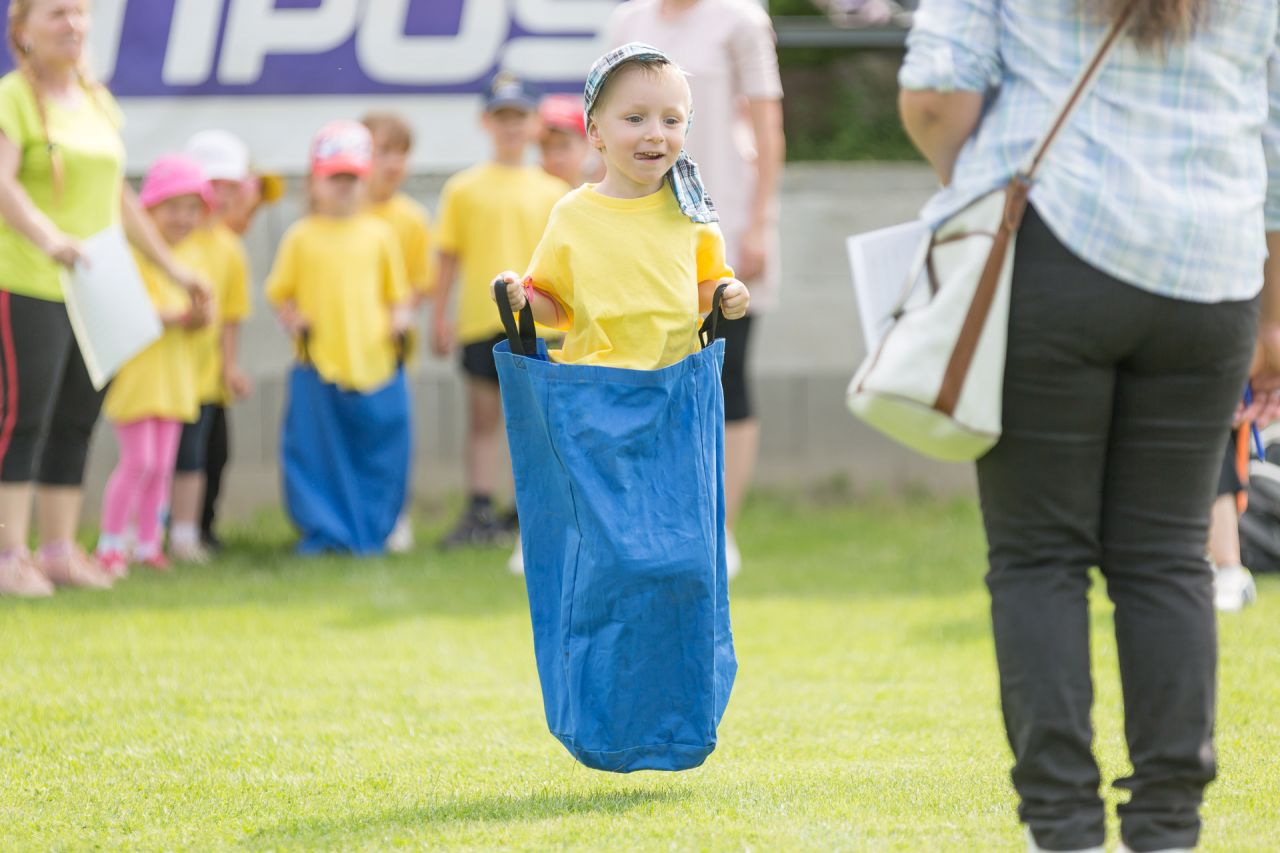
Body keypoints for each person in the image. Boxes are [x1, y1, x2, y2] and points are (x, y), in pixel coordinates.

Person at [897, 1, 1280, 850]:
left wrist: (976, 180)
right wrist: (1273, 317)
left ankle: (1063, 827)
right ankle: (1168, 825)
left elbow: (934, 95)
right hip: (1212, 271)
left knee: (1040, 557)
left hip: (1052, 247)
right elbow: (1276, 138)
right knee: (1169, 559)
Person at [0, 0, 208, 597]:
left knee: (77, 419)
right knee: (22, 419)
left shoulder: (96, 101)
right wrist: (49, 238)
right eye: (56, 13)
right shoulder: (13, 98)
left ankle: (58, 551)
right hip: (31, 280)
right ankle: (9, 553)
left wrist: (173, 269)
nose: (72, 24)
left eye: (79, 13)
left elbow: (118, 197)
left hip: (97, 285)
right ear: (24, 30)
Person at [607, 0, 785, 578]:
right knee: (641, 376)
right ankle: (649, 522)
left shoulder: (741, 20)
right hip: (640, 230)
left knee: (726, 377)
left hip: (723, 221)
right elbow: (604, 124)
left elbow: (768, 129)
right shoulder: (628, 22)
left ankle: (720, 529)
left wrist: (759, 223)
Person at [431, 72, 569, 549]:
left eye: (519, 117)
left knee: (538, 420)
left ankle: (530, 510)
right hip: (479, 319)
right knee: (484, 418)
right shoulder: (463, 188)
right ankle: (480, 509)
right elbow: (447, 257)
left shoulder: (553, 190)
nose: (511, 126)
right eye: (501, 117)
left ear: (534, 124)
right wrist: (439, 316)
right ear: (485, 123)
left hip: (538, 321)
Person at [266, 120, 413, 555]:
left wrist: (400, 321)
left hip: (375, 362)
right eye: (335, 178)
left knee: (379, 448)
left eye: (352, 178)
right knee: (317, 452)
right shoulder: (301, 237)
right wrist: (292, 319)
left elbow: (398, 295)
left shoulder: (379, 235)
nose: (344, 187)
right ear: (315, 182)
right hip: (320, 361)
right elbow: (280, 294)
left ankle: (374, 527)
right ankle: (327, 529)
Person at [94, 155, 211, 575]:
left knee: (161, 466)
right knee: (138, 462)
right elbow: (136, 312)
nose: (183, 218)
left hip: (175, 381)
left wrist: (199, 317)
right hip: (139, 379)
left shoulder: (192, 260)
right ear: (148, 210)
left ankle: (148, 543)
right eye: (172, 207)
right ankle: (111, 542)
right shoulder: (134, 258)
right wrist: (182, 315)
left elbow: (198, 318)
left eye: (192, 208)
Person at [169, 129, 255, 561]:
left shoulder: (231, 248)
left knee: (213, 456)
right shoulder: (171, 241)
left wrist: (229, 367)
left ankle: (202, 529)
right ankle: (167, 531)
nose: (221, 197)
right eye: (213, 185)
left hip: (209, 379)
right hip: (172, 375)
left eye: (230, 187)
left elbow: (231, 317)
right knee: (175, 457)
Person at [362, 110, 436, 553]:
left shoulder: (411, 218)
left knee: (391, 433)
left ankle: (395, 517)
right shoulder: (340, 212)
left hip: (390, 349)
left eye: (400, 154)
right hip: (343, 347)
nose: (391, 163)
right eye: (382, 151)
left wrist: (398, 316)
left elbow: (419, 284)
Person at [536, 93, 596, 187]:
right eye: (546, 146)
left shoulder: (605, 193)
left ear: (586, 143)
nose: (556, 158)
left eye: (564, 145)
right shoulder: (525, 192)